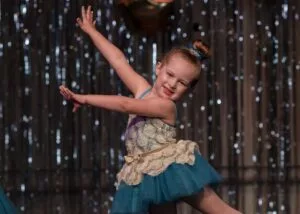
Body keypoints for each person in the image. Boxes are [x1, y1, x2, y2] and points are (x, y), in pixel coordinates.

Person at [60, 5, 242, 214]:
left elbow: (124, 104)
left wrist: (84, 98)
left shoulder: (165, 106)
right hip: (144, 173)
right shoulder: (142, 90)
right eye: (170, 74)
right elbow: (119, 61)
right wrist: (92, 32)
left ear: (188, 89)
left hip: (168, 169)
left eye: (182, 83)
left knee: (220, 210)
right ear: (158, 68)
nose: (172, 84)